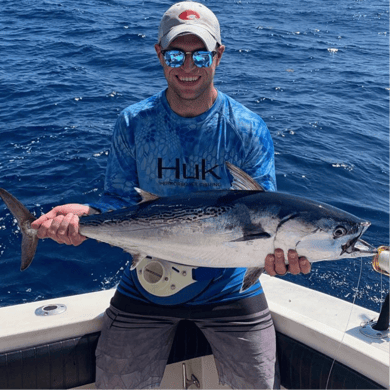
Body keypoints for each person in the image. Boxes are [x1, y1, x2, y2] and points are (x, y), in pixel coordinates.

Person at [31, 2, 311, 389]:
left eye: (201, 54)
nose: (188, 67)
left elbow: (265, 215)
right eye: (177, 54)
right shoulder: (134, 123)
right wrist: (88, 217)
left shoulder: (247, 129)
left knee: (261, 382)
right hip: (148, 285)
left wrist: (279, 257)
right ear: (160, 54)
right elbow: (119, 203)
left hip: (228, 287)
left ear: (219, 54)